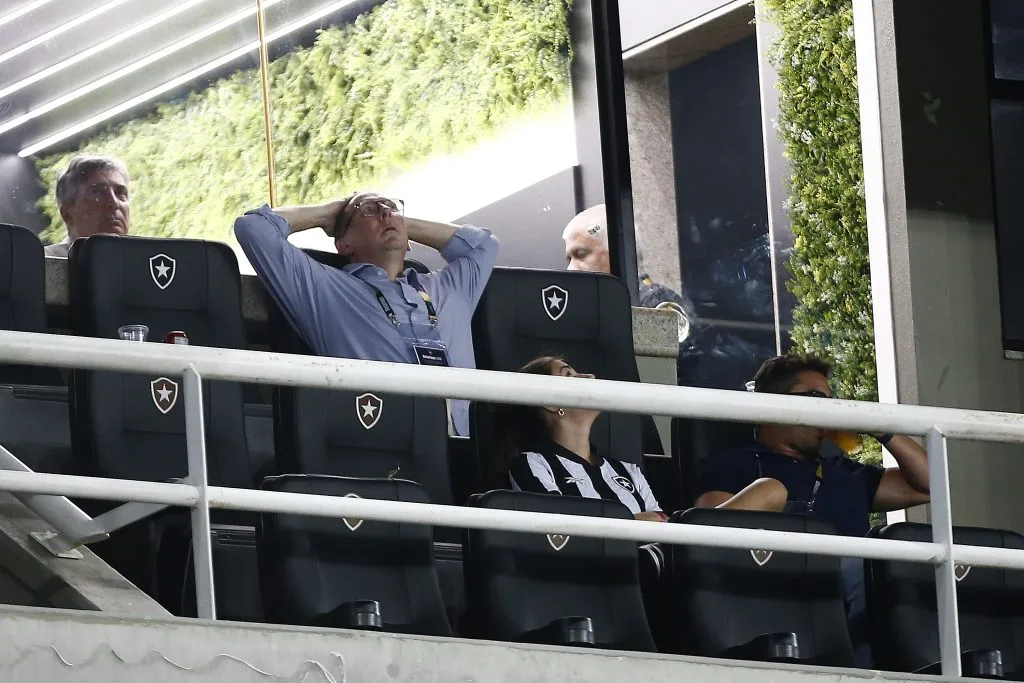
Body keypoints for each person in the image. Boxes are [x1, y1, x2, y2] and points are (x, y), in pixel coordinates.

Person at [695, 353, 930, 667]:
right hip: (777, 590)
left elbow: (928, 485)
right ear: (774, 403)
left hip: (856, 596)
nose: (827, 411)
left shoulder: (845, 472)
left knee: (907, 565)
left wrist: (882, 430)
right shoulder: (734, 464)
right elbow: (709, 527)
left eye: (831, 402)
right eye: (816, 399)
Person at [234, 192, 499, 436]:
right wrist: (329, 214)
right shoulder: (325, 288)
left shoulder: (449, 288)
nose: (385, 213)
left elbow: (484, 245)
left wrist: (399, 224)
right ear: (344, 244)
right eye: (368, 210)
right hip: (393, 446)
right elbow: (253, 228)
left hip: (473, 448)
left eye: (393, 208)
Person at [493, 355, 787, 519]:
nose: (590, 378)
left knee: (769, 489)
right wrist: (634, 524)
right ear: (550, 403)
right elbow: (559, 525)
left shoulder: (627, 470)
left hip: (663, 557)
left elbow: (659, 523)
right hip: (602, 570)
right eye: (569, 375)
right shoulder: (532, 464)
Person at [45, 155, 131, 257]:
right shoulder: (44, 264)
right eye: (98, 193)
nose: (114, 203)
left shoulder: (145, 263)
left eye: (120, 193)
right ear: (67, 214)